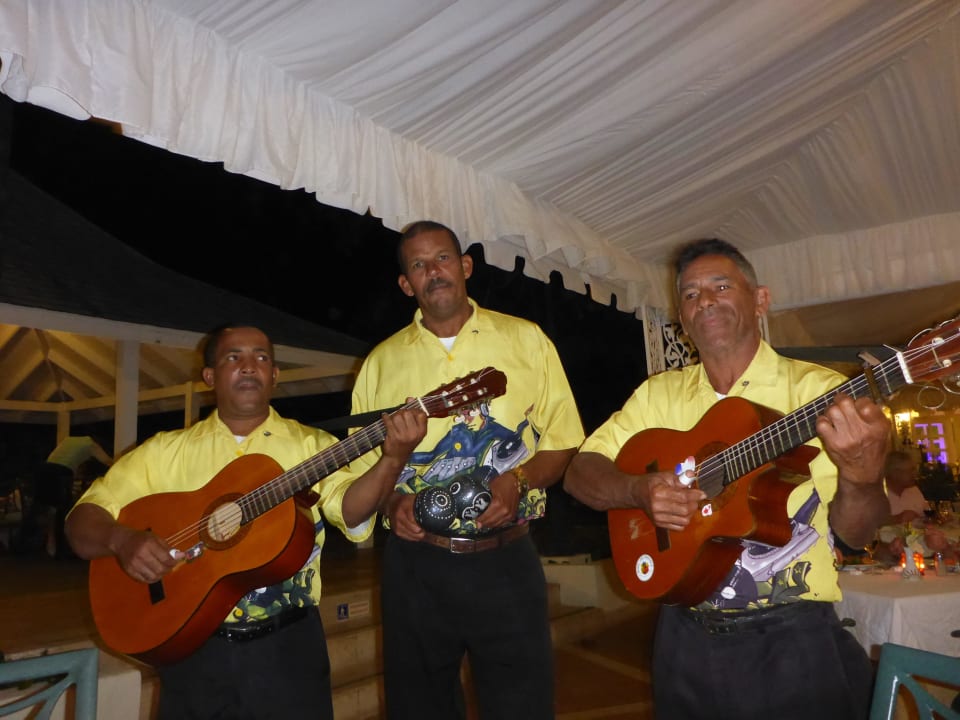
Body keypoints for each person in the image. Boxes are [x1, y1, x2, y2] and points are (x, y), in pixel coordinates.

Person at [564, 238, 891, 720]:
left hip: (793, 641)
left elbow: (856, 535)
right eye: (691, 294)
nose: (705, 300)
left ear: (760, 300)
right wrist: (637, 490)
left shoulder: (819, 393)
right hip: (683, 638)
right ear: (681, 316)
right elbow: (579, 473)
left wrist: (862, 477)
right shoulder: (659, 396)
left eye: (721, 286)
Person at [65, 325, 425, 720]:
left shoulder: (312, 447)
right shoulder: (164, 452)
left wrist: (394, 458)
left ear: (275, 375)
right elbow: (82, 520)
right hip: (194, 654)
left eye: (262, 357)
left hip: (288, 654)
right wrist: (121, 540)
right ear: (209, 376)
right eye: (233, 357)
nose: (249, 365)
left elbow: (351, 510)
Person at [347, 220, 585, 719]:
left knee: (521, 707)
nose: (433, 271)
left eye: (442, 258)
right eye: (418, 265)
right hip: (416, 567)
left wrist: (517, 480)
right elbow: (363, 474)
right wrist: (392, 503)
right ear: (405, 284)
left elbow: (563, 441)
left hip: (506, 560)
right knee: (418, 708)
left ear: (466, 266)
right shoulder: (379, 364)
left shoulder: (526, 340)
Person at [19, 435, 112, 558]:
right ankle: (63, 549)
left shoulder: (69, 440)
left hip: (43, 470)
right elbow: (108, 461)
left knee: (38, 507)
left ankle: (22, 545)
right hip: (60, 472)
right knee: (64, 510)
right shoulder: (90, 444)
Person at [884, 449, 930, 524]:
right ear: (895, 473)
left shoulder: (914, 491)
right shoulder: (878, 496)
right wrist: (897, 519)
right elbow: (871, 524)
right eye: (910, 471)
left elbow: (927, 518)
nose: (914, 474)